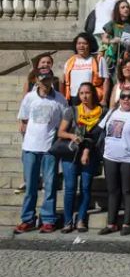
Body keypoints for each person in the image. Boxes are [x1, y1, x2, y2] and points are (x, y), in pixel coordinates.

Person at [14, 70, 68, 235]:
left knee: (50, 186)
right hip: (30, 148)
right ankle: (28, 219)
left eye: (48, 79)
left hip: (49, 150)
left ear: (52, 79)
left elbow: (64, 122)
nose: (45, 82)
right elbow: (24, 120)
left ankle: (48, 220)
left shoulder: (60, 99)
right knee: (30, 186)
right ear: (36, 80)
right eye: (42, 79)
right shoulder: (29, 98)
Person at [97, 88, 130, 236]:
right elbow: (100, 131)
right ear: (119, 98)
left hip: (129, 158)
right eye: (123, 97)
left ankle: (127, 223)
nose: (126, 99)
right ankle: (111, 223)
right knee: (112, 191)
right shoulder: (112, 112)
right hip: (110, 157)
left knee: (128, 191)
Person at [58, 82, 105, 234]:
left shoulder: (101, 112)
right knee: (70, 188)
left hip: (90, 154)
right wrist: (72, 135)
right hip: (71, 154)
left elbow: (98, 137)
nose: (84, 96)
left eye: (88, 93)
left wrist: (87, 149)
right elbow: (61, 132)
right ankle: (67, 221)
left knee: (85, 188)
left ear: (93, 94)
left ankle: (81, 220)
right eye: (82, 93)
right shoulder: (72, 110)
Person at [62, 33, 110, 107]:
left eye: (85, 43)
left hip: (92, 98)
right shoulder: (69, 61)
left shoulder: (98, 59)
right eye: (79, 43)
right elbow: (64, 81)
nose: (81, 46)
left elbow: (106, 80)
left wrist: (104, 100)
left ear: (90, 45)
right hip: (73, 98)